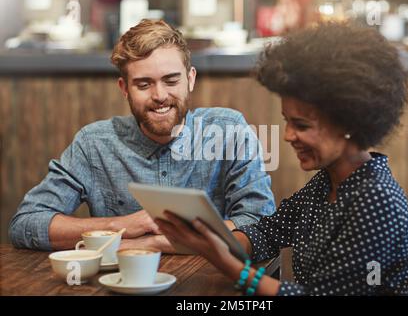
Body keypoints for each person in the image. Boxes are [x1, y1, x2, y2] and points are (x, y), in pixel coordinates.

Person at [155, 22, 408, 296]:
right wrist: (212, 240)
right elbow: (269, 232)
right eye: (287, 122)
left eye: (301, 125)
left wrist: (225, 262)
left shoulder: (376, 202)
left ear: (349, 121)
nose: (288, 135)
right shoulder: (328, 184)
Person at [9, 19, 275, 251]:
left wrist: (149, 243)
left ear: (190, 79)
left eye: (171, 81)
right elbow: (27, 223)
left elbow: (260, 224)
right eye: (144, 84)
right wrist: (120, 225)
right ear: (124, 88)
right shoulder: (94, 144)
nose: (159, 96)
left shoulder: (229, 131)